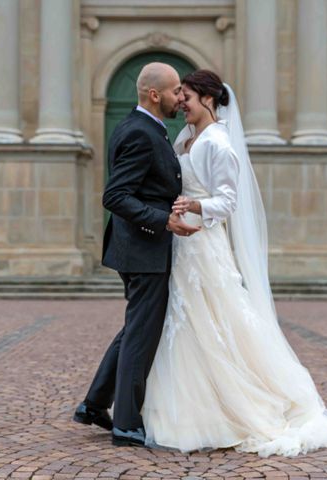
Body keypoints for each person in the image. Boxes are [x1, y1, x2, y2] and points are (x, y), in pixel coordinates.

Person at [141, 69, 327, 457]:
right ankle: (185, 404)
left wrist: (195, 204)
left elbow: (228, 202)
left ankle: (231, 407)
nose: (182, 102)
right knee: (186, 321)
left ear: (209, 100)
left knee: (214, 318)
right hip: (183, 242)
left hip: (204, 243)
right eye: (180, 96)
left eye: (189, 97)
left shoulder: (218, 143)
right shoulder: (186, 138)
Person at [73, 62, 200, 447]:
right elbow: (115, 196)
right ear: (154, 94)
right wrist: (162, 221)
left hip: (142, 249)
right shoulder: (140, 133)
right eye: (177, 90)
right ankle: (127, 422)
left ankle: (94, 404)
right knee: (142, 333)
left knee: (135, 328)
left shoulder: (146, 129)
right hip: (143, 249)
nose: (182, 97)